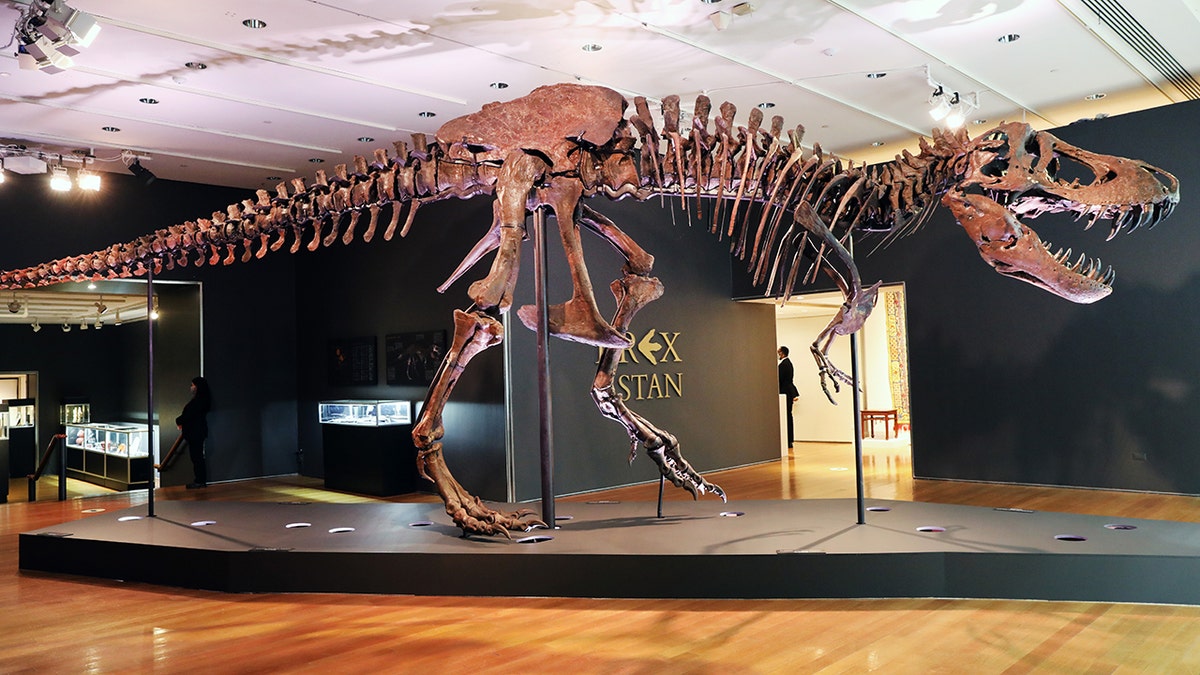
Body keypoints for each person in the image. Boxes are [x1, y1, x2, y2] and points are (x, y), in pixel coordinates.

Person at [176, 376, 212, 489]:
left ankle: (199, 480)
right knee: (197, 457)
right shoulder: (203, 400)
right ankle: (200, 480)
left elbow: (188, 415)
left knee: (197, 457)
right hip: (197, 432)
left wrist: (179, 421)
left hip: (195, 433)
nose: (191, 387)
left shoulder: (198, 401)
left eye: (192, 385)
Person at [778, 346, 800, 449]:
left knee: (786, 416)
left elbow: (780, 380)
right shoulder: (788, 364)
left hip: (785, 392)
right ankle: (789, 440)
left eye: (778, 352)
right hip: (788, 392)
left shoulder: (784, 365)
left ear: (782, 353)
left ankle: (788, 440)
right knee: (788, 415)